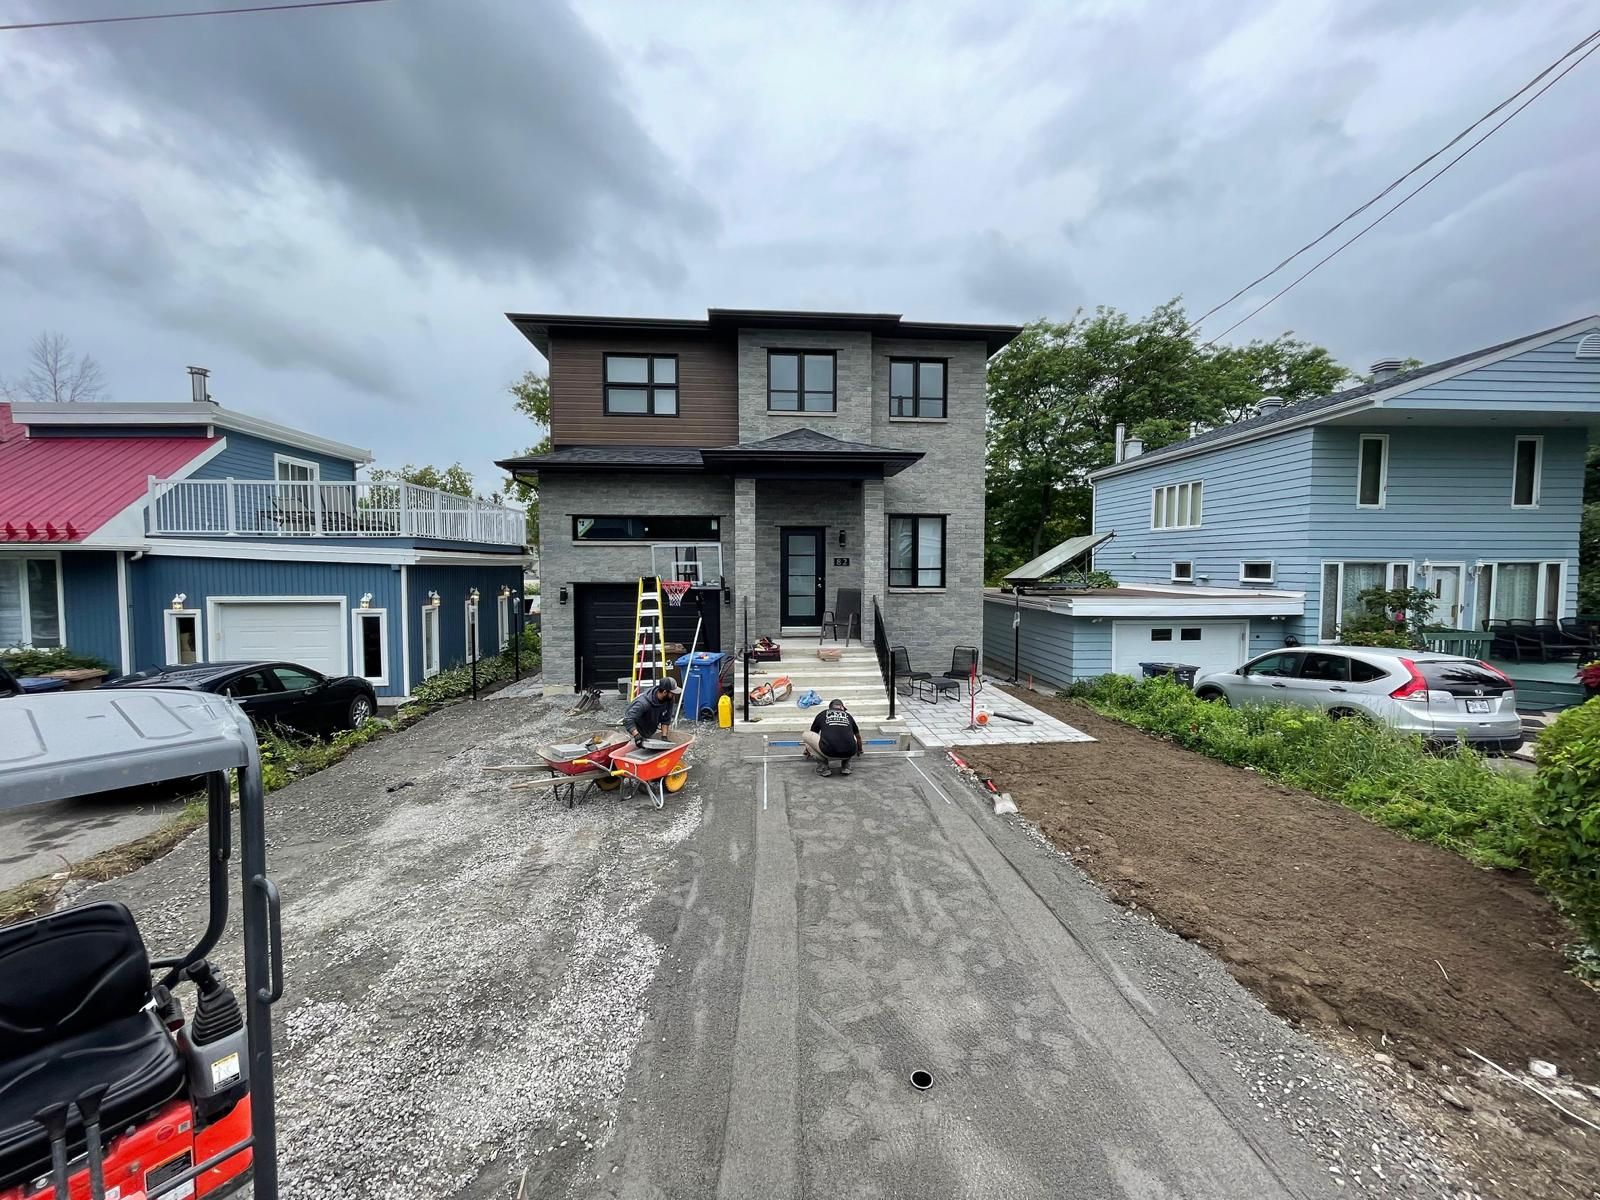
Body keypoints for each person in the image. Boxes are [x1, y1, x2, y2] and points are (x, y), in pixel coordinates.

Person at [804, 697, 862, 777]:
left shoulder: (823, 714)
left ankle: (823, 767)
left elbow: (813, 733)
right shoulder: (848, 716)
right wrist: (859, 750)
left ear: (830, 707)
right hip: (849, 752)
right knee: (853, 736)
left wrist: (808, 750)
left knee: (806, 735)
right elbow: (858, 737)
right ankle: (846, 765)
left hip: (828, 752)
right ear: (842, 707)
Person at [624, 677, 680, 744]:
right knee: (636, 750)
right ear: (665, 692)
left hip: (649, 729)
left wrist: (664, 737)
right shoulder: (643, 703)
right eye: (672, 693)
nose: (674, 695)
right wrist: (636, 736)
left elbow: (666, 719)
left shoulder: (668, 700)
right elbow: (628, 719)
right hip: (636, 730)